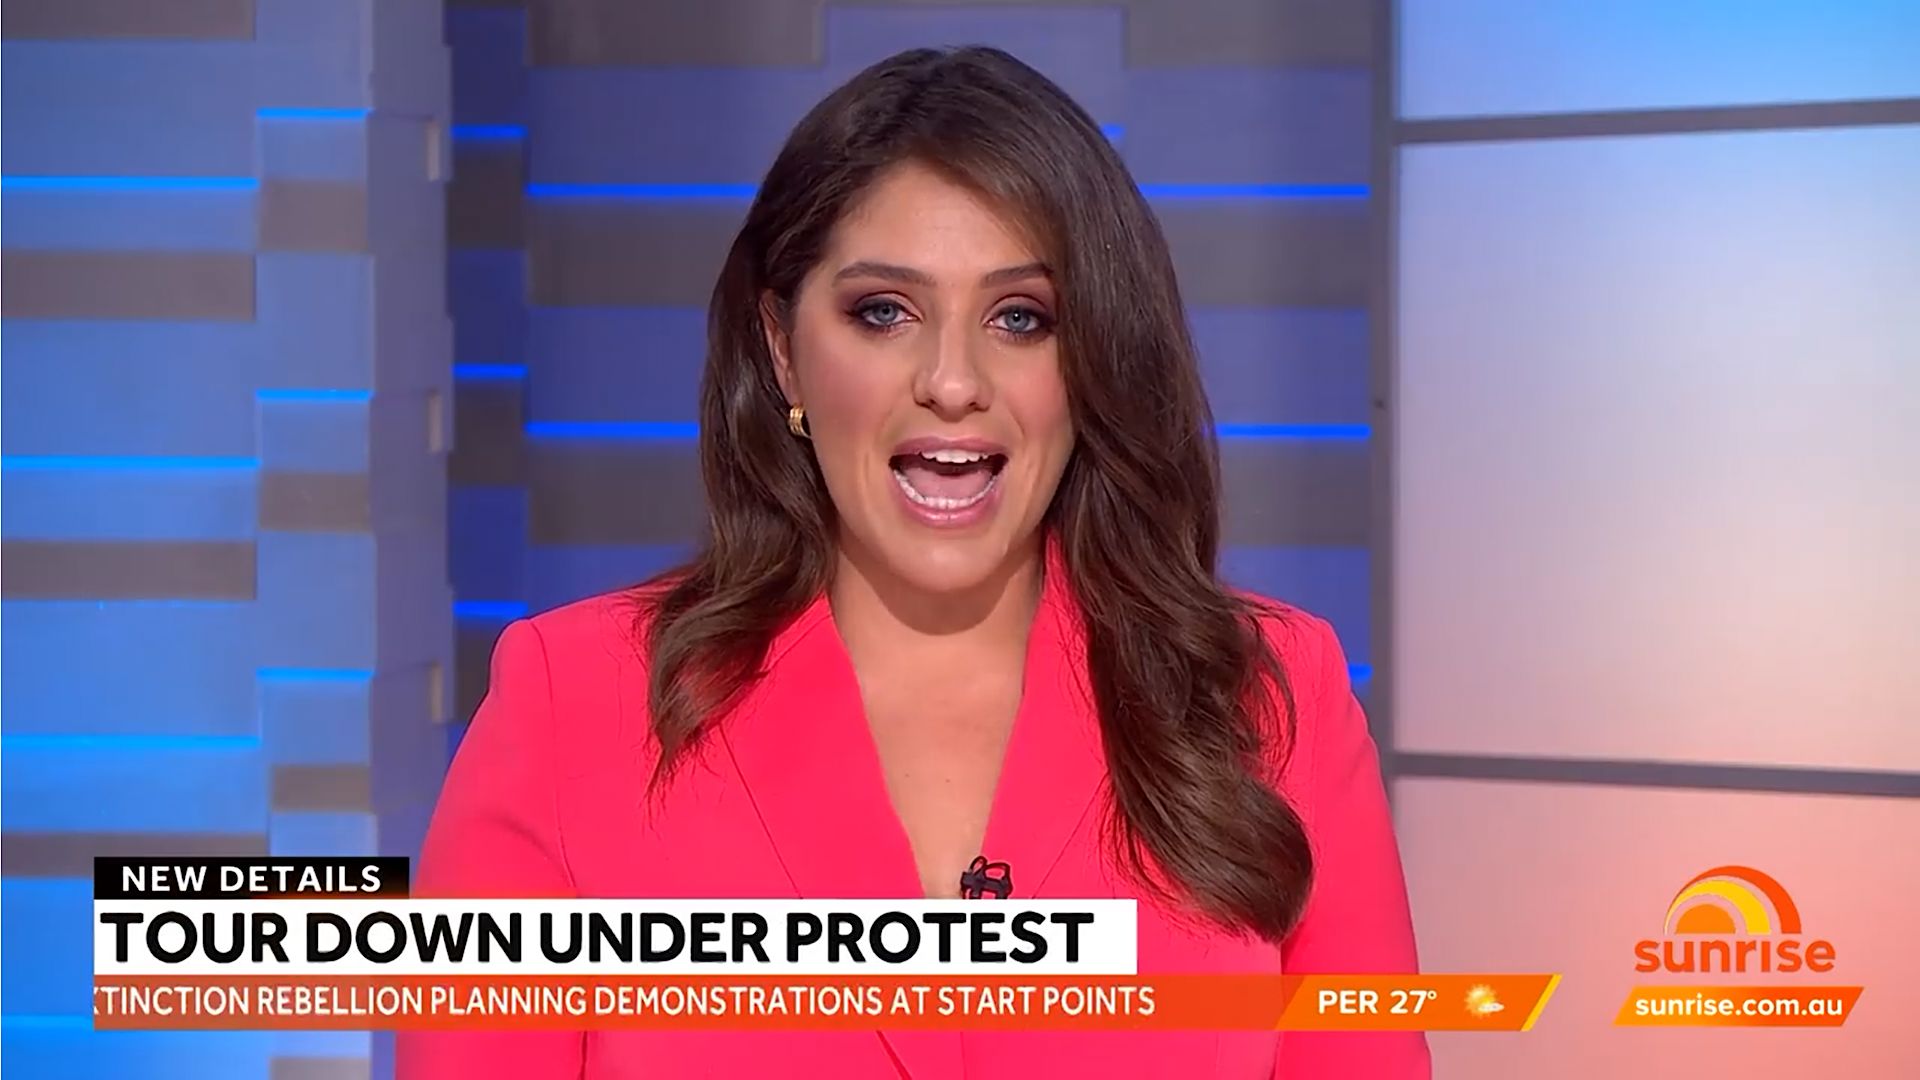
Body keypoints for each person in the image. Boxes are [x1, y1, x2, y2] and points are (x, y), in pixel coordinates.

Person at [400, 45, 1426, 1079]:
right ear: (783, 348)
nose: (952, 380)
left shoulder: (1272, 702)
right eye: (884, 312)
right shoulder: (572, 703)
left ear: (1093, 358)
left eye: (1020, 318)